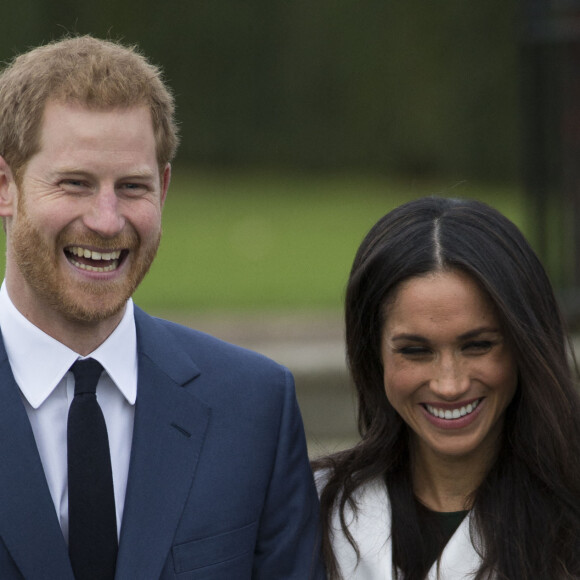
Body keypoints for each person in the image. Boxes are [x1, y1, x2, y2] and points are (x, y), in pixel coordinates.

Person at [0, 35, 324, 579]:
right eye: (75, 184)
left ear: (165, 188)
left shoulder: (254, 409)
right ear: (5, 186)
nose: (106, 219)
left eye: (132, 187)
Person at [314, 197, 580, 579]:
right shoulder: (312, 509)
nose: (449, 384)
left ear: (526, 346)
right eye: (415, 351)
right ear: (373, 354)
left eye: (478, 345)